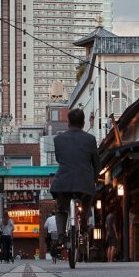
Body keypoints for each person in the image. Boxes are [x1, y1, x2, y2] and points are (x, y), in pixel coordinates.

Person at [50, 108, 100, 252]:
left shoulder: (58, 139)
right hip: (85, 182)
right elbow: (96, 162)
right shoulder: (90, 139)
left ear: (68, 122)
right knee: (87, 199)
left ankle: (61, 235)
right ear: (83, 123)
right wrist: (95, 178)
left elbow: (60, 159)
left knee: (60, 207)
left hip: (63, 182)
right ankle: (84, 220)